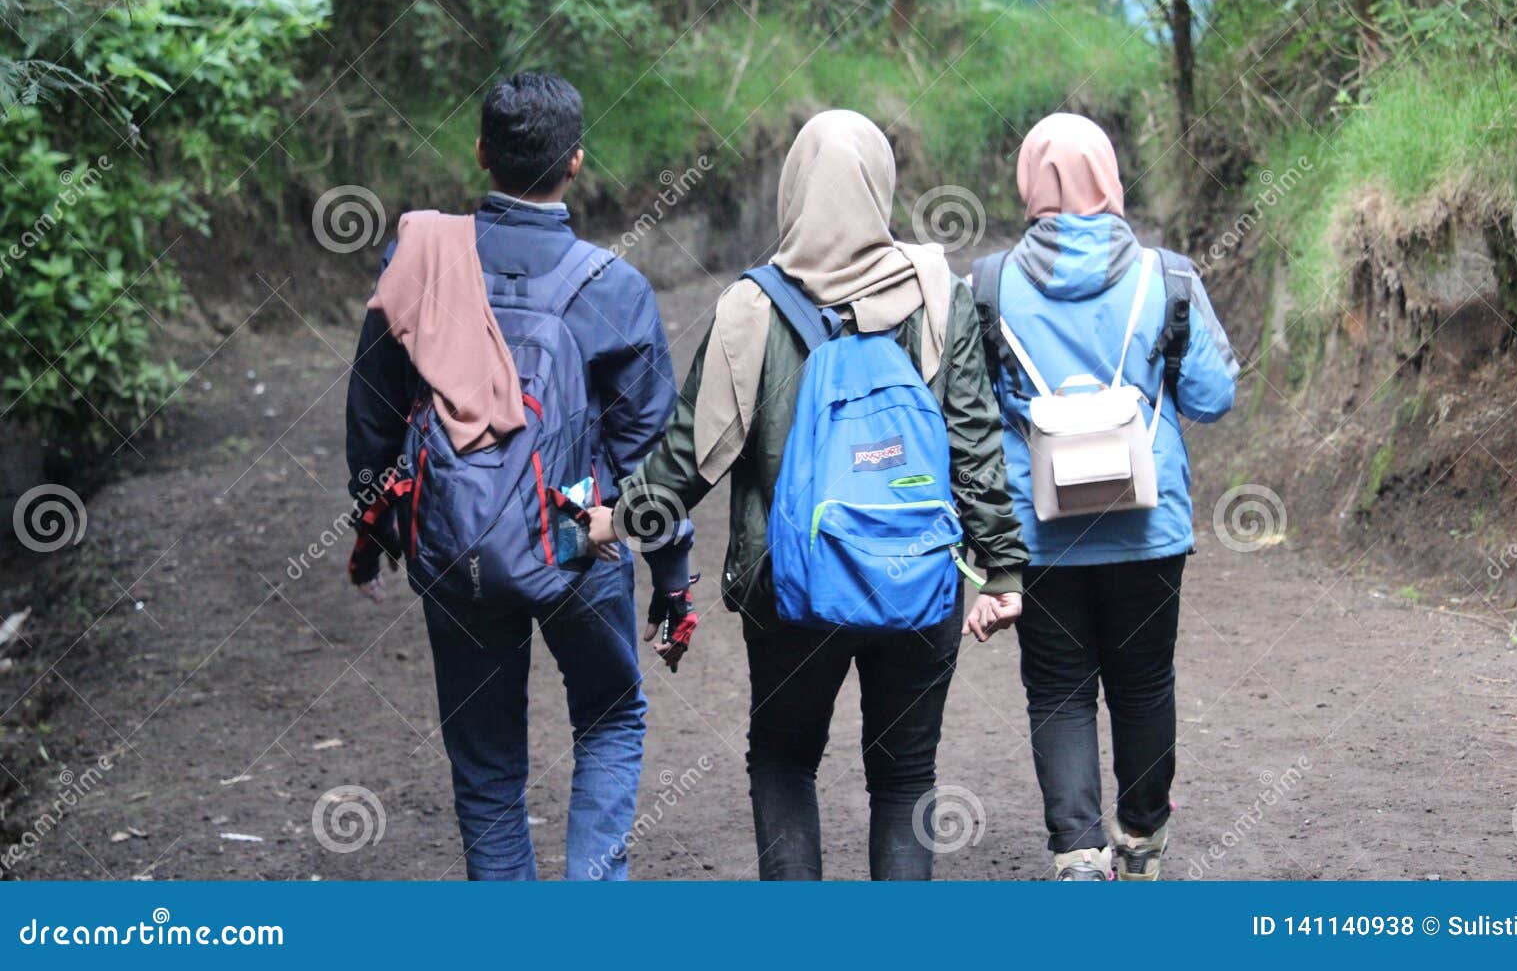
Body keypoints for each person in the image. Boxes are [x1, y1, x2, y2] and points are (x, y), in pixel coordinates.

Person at [588, 109, 1028, 880]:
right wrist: (1003, 569)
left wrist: (615, 519)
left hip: (793, 590)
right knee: (905, 777)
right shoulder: (938, 292)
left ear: (794, 189)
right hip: (917, 581)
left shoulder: (750, 307)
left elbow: (688, 457)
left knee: (786, 762)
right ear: (879, 185)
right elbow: (974, 441)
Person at [344, 71, 691, 880]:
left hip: (455, 531)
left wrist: (385, 527)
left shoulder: (419, 259)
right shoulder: (616, 288)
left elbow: (373, 412)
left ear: (479, 155)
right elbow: (650, 454)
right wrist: (673, 579)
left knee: (488, 764)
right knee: (609, 715)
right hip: (575, 526)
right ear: (576, 162)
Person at [972, 113, 1238, 881]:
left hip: (1038, 531)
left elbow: (973, 411)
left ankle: (1078, 853)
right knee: (1144, 679)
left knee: (1057, 689)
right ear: (1111, 178)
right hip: (1148, 525)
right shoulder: (1169, 276)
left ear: (1030, 184)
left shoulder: (986, 285)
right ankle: (1142, 838)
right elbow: (1213, 396)